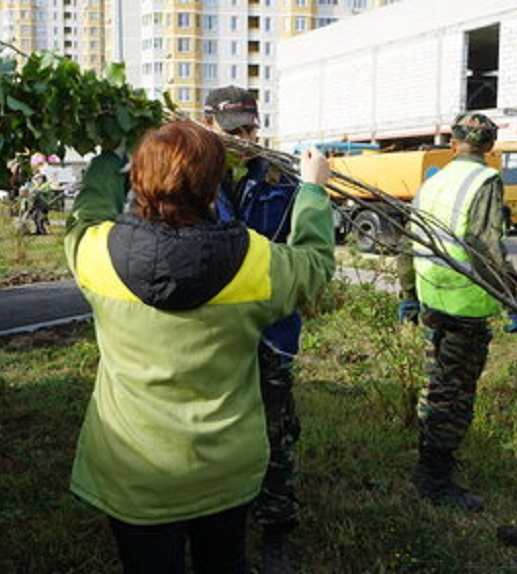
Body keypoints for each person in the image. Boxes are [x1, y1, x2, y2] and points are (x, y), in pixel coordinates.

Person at [64, 120, 335, 574]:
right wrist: (313, 191)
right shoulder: (257, 262)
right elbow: (316, 262)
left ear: (137, 179)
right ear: (213, 185)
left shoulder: (95, 255)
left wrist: (109, 159)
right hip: (226, 470)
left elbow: (88, 213)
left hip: (135, 471)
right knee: (225, 563)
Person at [399, 113, 517, 511]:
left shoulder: (433, 181)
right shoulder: (485, 182)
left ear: (453, 144)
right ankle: (435, 480)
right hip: (466, 304)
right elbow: (486, 247)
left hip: (432, 295)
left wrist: (407, 294)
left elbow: (408, 239)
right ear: (490, 149)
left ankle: (432, 462)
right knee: (454, 391)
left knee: (435, 381)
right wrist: (511, 297)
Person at [203, 85, 302, 574]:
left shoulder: (281, 175)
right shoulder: (191, 176)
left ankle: (276, 531)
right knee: (214, 433)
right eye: (233, 130)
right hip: (214, 334)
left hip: (271, 330)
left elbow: (300, 245)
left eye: (249, 127)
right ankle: (217, 525)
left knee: (276, 432)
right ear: (208, 125)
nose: (244, 137)